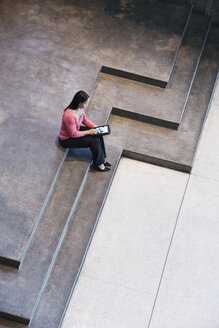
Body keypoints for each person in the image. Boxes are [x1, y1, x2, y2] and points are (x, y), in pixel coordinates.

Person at [59, 90, 111, 172]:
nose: (86, 105)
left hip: (76, 129)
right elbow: (73, 134)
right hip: (67, 139)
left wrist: (95, 127)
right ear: (79, 103)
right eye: (85, 103)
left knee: (98, 133)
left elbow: (85, 120)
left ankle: (103, 159)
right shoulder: (69, 116)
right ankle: (99, 164)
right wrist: (89, 132)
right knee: (94, 141)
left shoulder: (80, 108)